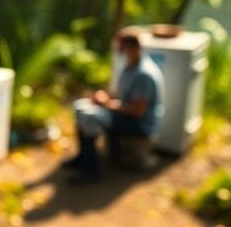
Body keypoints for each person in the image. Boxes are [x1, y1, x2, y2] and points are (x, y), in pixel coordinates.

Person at [65, 28, 164, 184]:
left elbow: (137, 111)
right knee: (80, 106)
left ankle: (92, 170)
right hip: (124, 114)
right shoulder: (130, 66)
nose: (118, 51)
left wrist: (107, 104)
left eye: (120, 47)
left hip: (139, 124)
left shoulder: (144, 74)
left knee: (91, 117)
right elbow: (119, 94)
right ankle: (83, 157)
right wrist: (102, 97)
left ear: (132, 48)